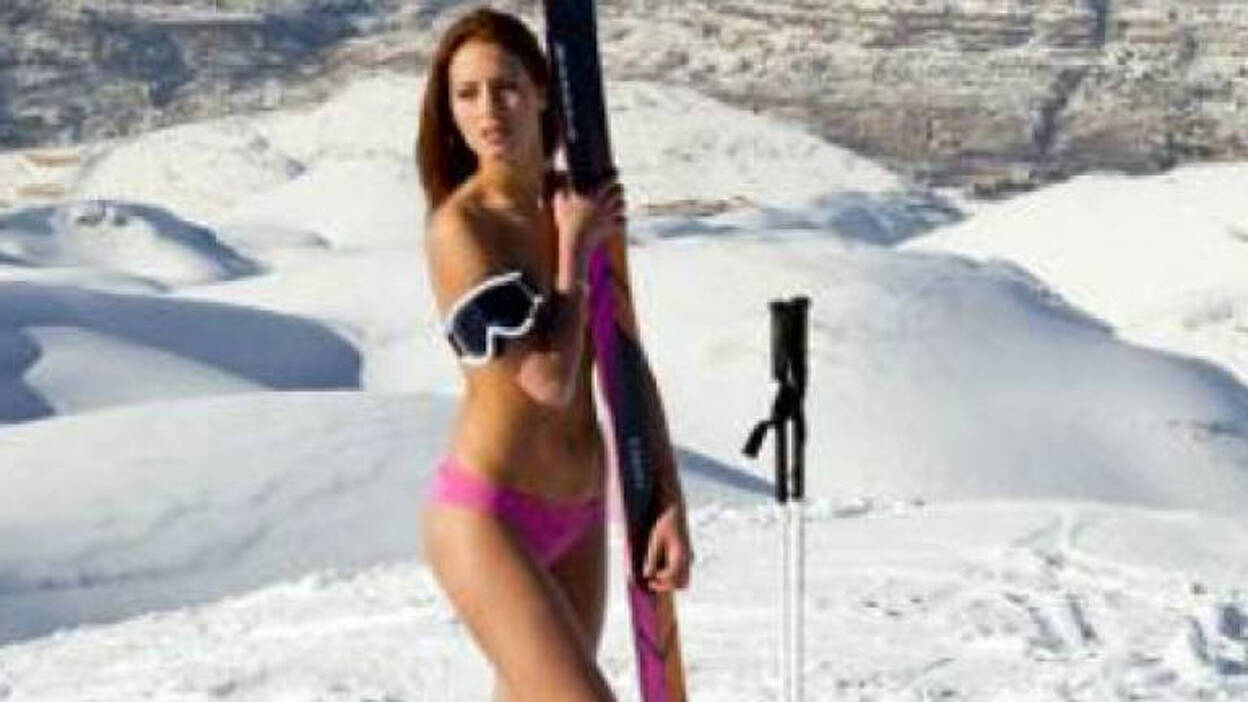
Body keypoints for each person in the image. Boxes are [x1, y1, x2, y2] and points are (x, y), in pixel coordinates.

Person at [415, 8, 692, 701]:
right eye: (467, 94)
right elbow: (547, 379)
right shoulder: (462, 229)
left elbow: (624, 357)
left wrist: (666, 497)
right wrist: (572, 251)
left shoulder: (575, 205)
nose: (488, 110)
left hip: (581, 510)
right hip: (488, 517)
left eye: (506, 87)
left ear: (542, 90)